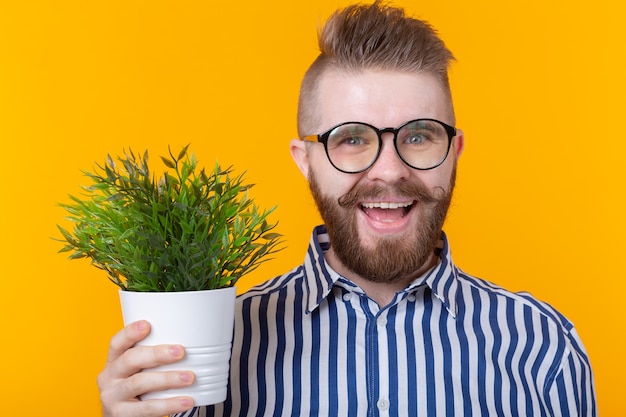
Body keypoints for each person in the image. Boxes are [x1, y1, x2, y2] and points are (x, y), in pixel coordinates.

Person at [97, 2, 597, 416]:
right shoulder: (209, 352)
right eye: (352, 139)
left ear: (455, 151)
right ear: (306, 159)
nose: (388, 170)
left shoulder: (544, 349)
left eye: (419, 135)